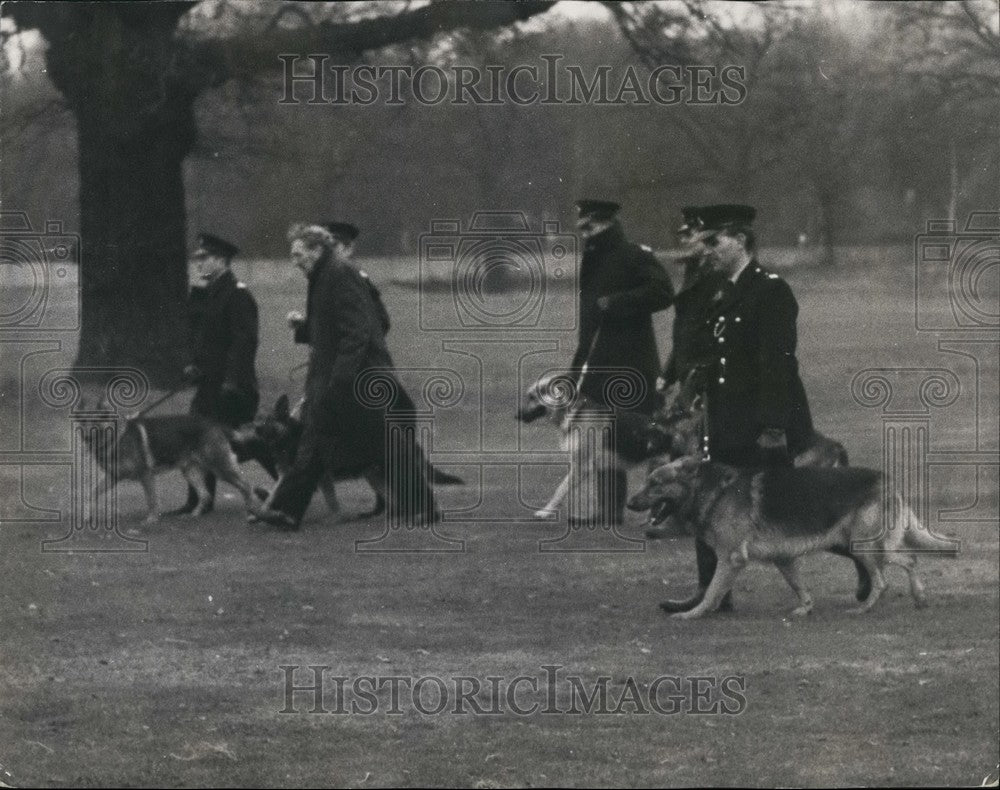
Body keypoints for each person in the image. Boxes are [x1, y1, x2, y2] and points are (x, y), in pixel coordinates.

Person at [658, 204, 862, 614]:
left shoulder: (770, 291)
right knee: (706, 497)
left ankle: (865, 561)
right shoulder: (721, 289)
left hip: (765, 422)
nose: (706, 248)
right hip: (726, 418)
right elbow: (716, 353)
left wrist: (772, 427)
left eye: (715, 241)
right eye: (705, 240)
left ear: (741, 240)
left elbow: (778, 364)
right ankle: (713, 595)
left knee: (796, 514)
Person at [260, 223, 437, 530]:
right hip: (340, 378)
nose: (294, 260)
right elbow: (331, 329)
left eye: (298, 254)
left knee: (384, 444)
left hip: (356, 380)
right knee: (314, 440)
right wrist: (304, 330)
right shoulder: (323, 274)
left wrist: (339, 382)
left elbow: (357, 332)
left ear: (317, 250)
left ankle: (423, 506)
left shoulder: (338, 273)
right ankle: (286, 512)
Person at [569, 198, 674, 524]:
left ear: (607, 223)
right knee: (606, 443)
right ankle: (608, 512)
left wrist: (617, 302)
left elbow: (662, 292)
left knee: (652, 442)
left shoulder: (634, 256)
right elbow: (590, 326)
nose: (586, 234)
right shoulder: (592, 260)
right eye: (582, 228)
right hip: (600, 368)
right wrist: (577, 371)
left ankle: (663, 513)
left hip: (634, 365)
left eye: (590, 227)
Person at [168, 232, 261, 516]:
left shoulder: (237, 294)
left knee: (235, 441)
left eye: (204, 258)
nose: (198, 263)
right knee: (200, 437)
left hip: (231, 386)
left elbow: (244, 343)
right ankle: (199, 501)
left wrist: (232, 381)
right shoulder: (210, 294)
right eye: (198, 258)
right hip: (211, 383)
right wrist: (194, 366)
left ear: (221, 260)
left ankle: (278, 469)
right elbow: (203, 339)